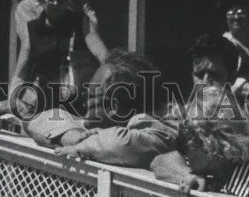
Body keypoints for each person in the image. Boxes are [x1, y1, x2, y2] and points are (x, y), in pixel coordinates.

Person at [27, 49, 174, 168]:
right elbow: (37, 120)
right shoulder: (94, 129)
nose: (83, 97)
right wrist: (74, 136)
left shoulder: (154, 134)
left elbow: (117, 144)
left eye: (90, 94)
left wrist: (81, 144)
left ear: (113, 107)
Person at [170, 34, 249, 176]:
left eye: (214, 74)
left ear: (231, 77)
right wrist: (190, 177)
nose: (205, 81)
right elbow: (160, 159)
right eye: (199, 75)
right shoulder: (181, 119)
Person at [10, 0, 107, 117]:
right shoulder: (32, 30)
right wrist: (13, 102)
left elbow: (104, 58)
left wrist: (100, 92)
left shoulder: (81, 23)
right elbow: (20, 75)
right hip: (45, 107)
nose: (56, 3)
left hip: (78, 106)